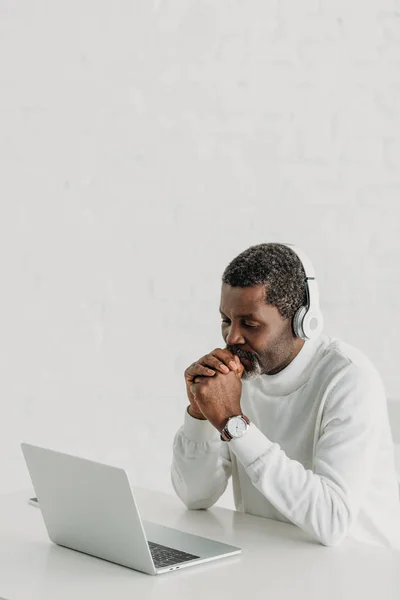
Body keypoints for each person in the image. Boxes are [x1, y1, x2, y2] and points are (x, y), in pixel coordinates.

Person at [171, 242, 400, 549]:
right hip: (274, 560)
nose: (232, 338)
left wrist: (232, 422)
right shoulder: (242, 373)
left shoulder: (349, 378)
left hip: (357, 571)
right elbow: (195, 496)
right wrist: (199, 413)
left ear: (301, 321)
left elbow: (331, 520)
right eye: (226, 320)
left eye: (250, 324)